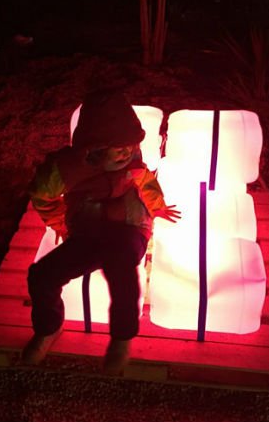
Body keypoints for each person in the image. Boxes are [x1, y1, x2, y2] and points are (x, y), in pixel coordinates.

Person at [23, 89, 180, 375]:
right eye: (117, 146)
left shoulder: (131, 164)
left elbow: (145, 180)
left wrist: (157, 207)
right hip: (88, 230)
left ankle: (122, 338)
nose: (128, 152)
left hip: (129, 228)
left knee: (118, 262)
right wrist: (58, 222)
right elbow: (41, 194)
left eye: (131, 145)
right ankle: (48, 328)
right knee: (41, 275)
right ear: (92, 149)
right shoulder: (64, 170)